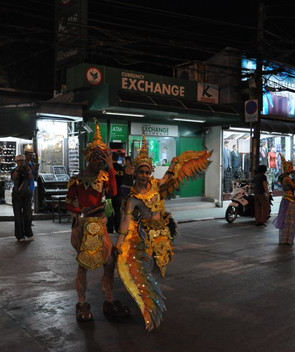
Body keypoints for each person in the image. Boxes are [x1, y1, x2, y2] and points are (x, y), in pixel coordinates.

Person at [116, 134, 212, 330]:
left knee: (158, 269)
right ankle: (147, 300)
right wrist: (119, 241)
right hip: (147, 235)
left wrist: (179, 162)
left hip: (163, 234)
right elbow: (126, 220)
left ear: (151, 172)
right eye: (141, 172)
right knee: (146, 268)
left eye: (147, 172)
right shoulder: (133, 198)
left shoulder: (157, 184)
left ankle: (150, 293)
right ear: (135, 173)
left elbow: (172, 175)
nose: (144, 175)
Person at [64, 122, 127, 322]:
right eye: (97, 157)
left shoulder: (104, 176)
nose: (99, 161)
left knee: (109, 262)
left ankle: (109, 299)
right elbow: (68, 203)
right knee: (83, 265)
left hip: (99, 224)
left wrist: (111, 168)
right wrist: (80, 211)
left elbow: (113, 194)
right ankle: (82, 303)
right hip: (82, 226)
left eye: (102, 157)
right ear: (88, 157)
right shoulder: (76, 179)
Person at [272, 157, 295, 245]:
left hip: (286, 199)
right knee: (289, 220)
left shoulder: (285, 178)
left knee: (286, 220)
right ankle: (288, 239)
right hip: (289, 200)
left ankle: (285, 239)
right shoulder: (287, 179)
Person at [10, 154, 33, 242]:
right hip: (17, 195)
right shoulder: (14, 170)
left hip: (26, 194)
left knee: (28, 215)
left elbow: (31, 178)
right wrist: (17, 169)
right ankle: (19, 235)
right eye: (19, 161)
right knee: (18, 216)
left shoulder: (27, 169)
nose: (21, 162)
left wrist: (29, 170)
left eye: (22, 160)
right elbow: (13, 178)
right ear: (16, 162)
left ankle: (28, 232)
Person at [106, 152, 124, 233]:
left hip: (109, 192)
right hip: (119, 192)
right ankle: (117, 227)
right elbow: (123, 181)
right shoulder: (121, 168)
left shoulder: (108, 169)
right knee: (117, 211)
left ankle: (110, 228)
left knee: (109, 210)